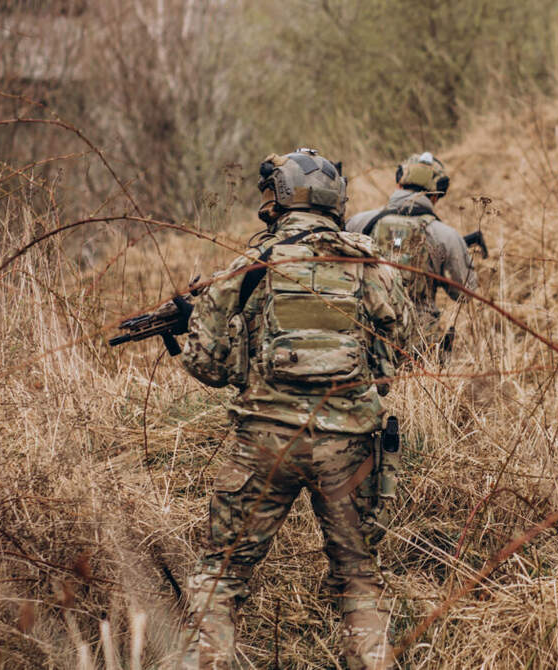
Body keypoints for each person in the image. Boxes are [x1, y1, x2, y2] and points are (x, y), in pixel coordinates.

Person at [177, 148, 411, 670]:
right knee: (358, 581)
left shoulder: (251, 265)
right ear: (335, 201)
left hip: (264, 445)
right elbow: (401, 354)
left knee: (219, 579)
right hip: (349, 451)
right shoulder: (370, 264)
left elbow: (207, 367)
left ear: (277, 199)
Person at [346, 152, 478, 353]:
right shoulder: (446, 236)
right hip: (419, 345)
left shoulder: (359, 222)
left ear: (399, 184)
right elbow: (464, 293)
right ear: (436, 195)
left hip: (366, 336)